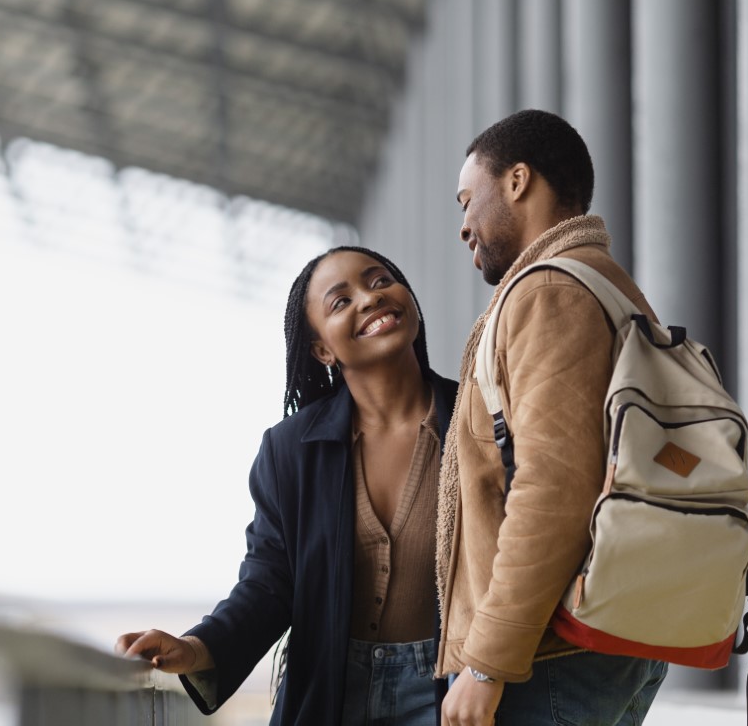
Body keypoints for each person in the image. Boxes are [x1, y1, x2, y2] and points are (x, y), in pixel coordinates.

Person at [116, 246, 459, 725]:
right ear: (322, 349)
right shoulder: (291, 450)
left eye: (380, 281)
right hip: (327, 695)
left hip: (454, 695)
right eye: (340, 301)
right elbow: (269, 583)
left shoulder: (475, 421)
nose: (369, 298)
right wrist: (196, 647)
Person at [437, 110, 668, 725]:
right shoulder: (604, 283)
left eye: (468, 200)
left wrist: (486, 662)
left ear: (517, 181)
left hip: (553, 649)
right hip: (597, 633)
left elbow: (554, 487)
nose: (463, 225)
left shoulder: (549, 292)